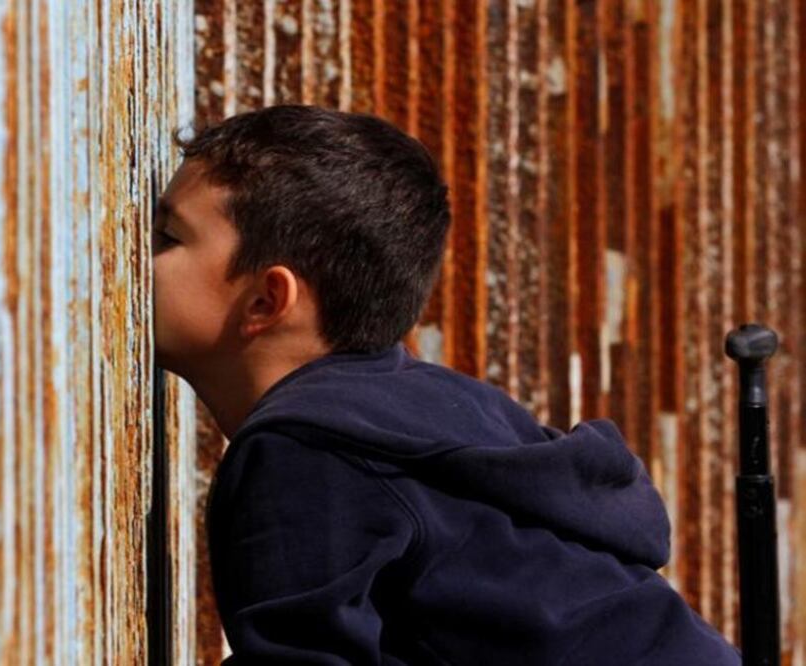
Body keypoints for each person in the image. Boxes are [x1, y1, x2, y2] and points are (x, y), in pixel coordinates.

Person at [151, 104, 741, 665]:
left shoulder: (307, 449)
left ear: (265, 300)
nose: (139, 253)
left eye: (168, 239)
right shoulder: (430, 407)